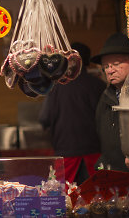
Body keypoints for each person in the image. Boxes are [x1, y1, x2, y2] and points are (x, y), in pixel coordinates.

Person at [39, 42, 105, 184]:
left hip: (65, 152)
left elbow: (44, 118)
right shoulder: (98, 85)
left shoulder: (56, 86)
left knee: (65, 199)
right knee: (96, 198)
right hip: (94, 152)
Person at [90, 33, 129, 172]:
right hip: (115, 174)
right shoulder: (105, 97)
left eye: (116, 64)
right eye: (106, 66)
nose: (110, 70)